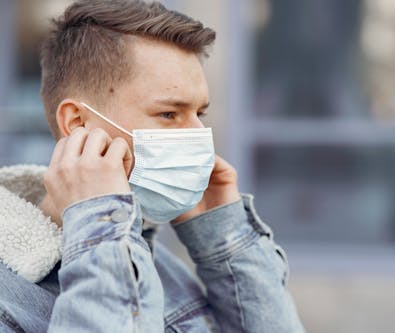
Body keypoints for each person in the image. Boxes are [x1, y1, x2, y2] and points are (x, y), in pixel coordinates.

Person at [0, 0, 305, 332]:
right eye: (169, 114)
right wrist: (101, 225)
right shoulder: (10, 299)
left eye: (199, 114)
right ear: (77, 123)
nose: (199, 136)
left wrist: (223, 242)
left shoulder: (153, 257)